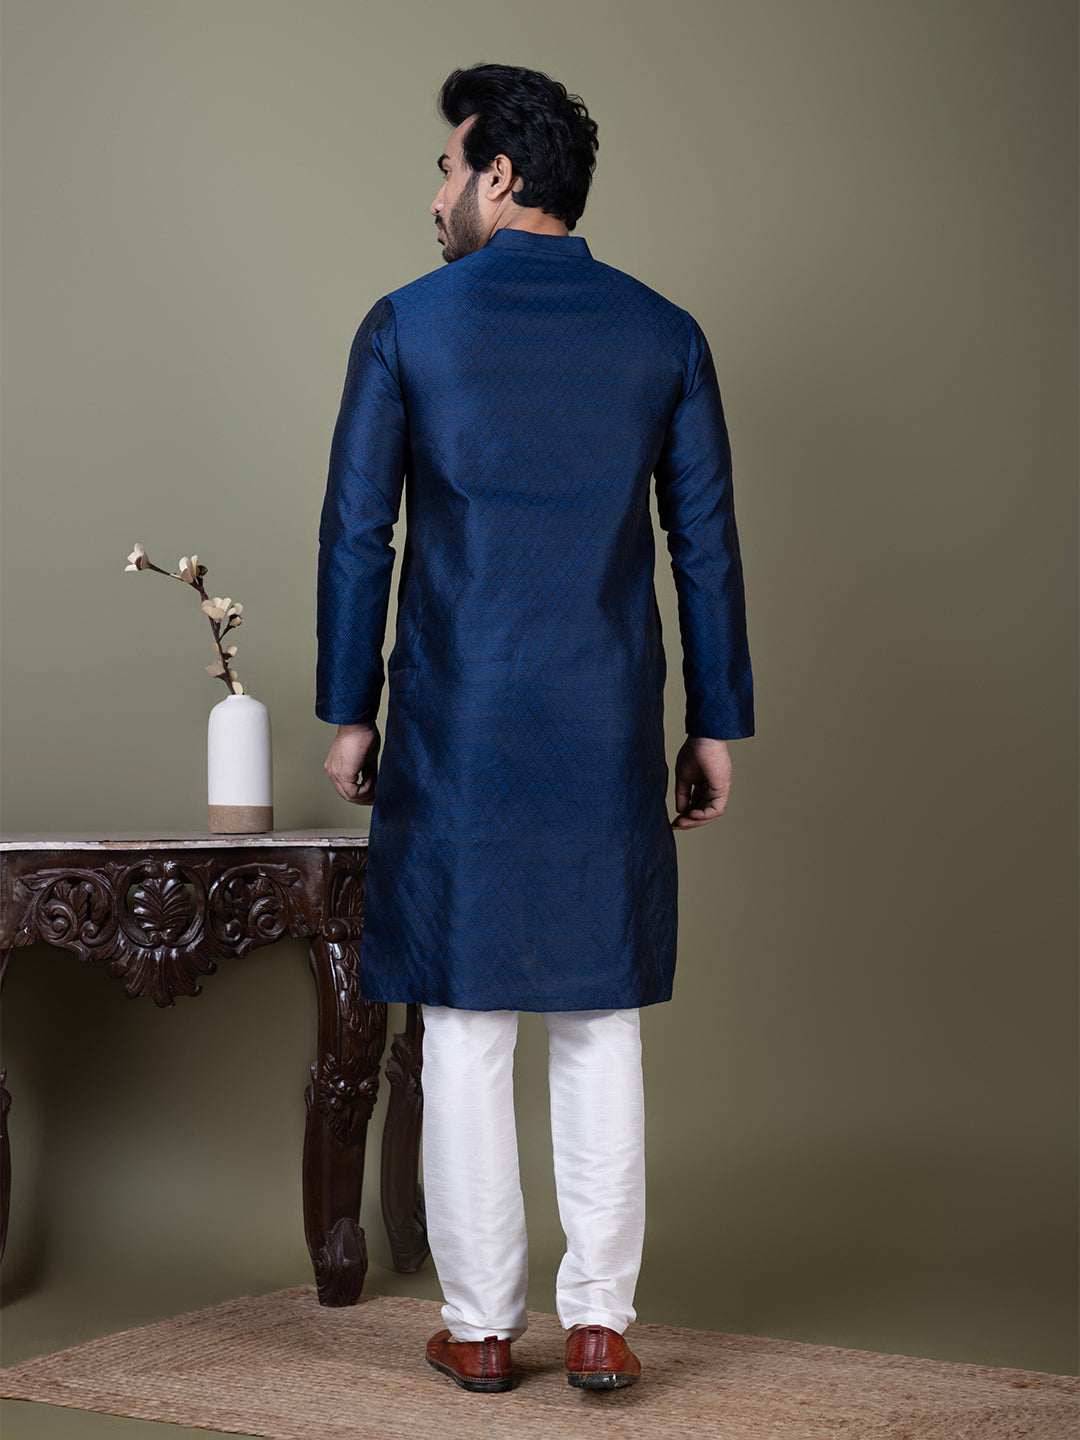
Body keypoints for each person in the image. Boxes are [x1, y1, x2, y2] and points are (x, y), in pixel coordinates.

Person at [316, 62, 754, 1395]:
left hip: (457, 717)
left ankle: (482, 1326)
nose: (435, 195)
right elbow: (704, 544)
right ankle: (603, 1323)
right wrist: (715, 723)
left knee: (463, 1023)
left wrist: (350, 713)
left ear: (499, 178)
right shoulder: (665, 333)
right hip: (606, 718)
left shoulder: (406, 324)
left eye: (448, 169)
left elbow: (359, 533)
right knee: (599, 1018)